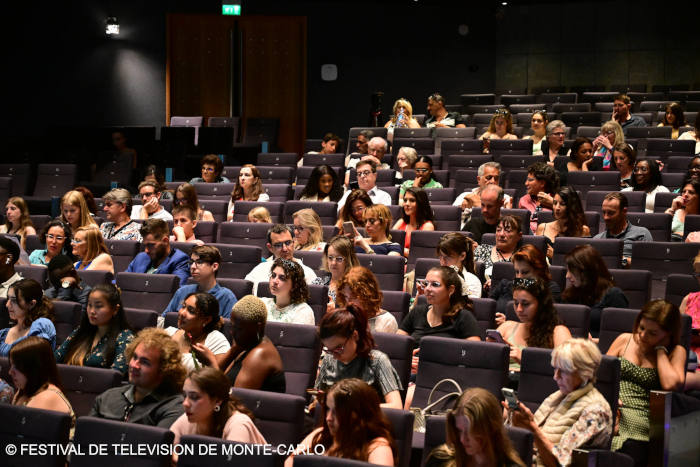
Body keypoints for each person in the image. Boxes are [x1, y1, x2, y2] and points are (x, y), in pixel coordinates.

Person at [506, 339, 612, 467]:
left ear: (585, 373)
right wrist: (519, 425)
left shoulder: (596, 411)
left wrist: (532, 428)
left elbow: (558, 463)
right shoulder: (558, 396)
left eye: (563, 371)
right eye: (555, 369)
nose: (556, 376)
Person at [607, 300, 685, 465]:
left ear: (668, 334)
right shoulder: (624, 340)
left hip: (642, 422)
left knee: (625, 453)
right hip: (611, 410)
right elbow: (602, 375)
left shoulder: (676, 352)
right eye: (641, 328)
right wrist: (610, 403)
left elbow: (671, 385)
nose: (642, 335)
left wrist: (661, 351)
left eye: (652, 333)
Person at [90, 327, 186, 427]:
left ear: (164, 369)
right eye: (134, 357)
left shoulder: (173, 407)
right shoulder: (107, 398)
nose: (134, 365)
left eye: (145, 362)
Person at [289, 378, 396, 467]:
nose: (328, 418)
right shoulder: (321, 435)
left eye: (336, 412)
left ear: (357, 414)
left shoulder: (378, 448)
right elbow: (291, 462)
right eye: (328, 409)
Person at [316, 307, 403, 408]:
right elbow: (317, 398)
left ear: (355, 336)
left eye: (339, 348)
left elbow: (396, 406)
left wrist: (351, 407)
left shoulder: (377, 361)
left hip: (365, 422)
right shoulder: (328, 360)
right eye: (329, 350)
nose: (334, 356)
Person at [169, 367, 266, 457]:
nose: (185, 403)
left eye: (194, 397)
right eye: (184, 395)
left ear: (217, 401)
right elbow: (162, 449)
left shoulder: (238, 424)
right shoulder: (187, 419)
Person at [197, 295, 285, 393]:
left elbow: (236, 401)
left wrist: (210, 362)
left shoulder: (259, 355)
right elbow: (222, 376)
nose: (232, 332)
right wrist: (233, 351)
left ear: (258, 327)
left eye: (238, 328)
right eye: (231, 326)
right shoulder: (246, 343)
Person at [425, 387, 525, 467]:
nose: (462, 439)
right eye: (460, 430)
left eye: (470, 431)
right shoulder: (440, 460)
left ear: (490, 430)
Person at [492, 277, 571, 371]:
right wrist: (491, 351)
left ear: (541, 304)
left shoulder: (558, 332)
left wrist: (527, 360)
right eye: (516, 303)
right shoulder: (507, 326)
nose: (519, 309)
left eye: (525, 304)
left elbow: (568, 369)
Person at [54, 283, 134, 375]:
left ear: (115, 309)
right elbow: (55, 360)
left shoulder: (125, 337)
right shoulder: (81, 331)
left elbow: (115, 376)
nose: (92, 311)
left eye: (98, 306)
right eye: (89, 305)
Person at [562, 245, 629, 337]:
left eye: (571, 271)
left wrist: (593, 341)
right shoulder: (570, 294)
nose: (567, 276)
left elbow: (622, 338)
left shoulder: (614, 295)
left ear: (585, 271)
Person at [162, 245, 237, 319]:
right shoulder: (182, 291)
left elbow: (229, 328)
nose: (193, 267)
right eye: (191, 262)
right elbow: (164, 320)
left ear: (214, 266)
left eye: (199, 262)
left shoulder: (226, 297)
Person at [10, 337, 74, 423]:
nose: (10, 372)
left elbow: (19, 432)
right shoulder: (24, 390)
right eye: (11, 365)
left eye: (17, 367)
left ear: (35, 368)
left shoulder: (47, 397)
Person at [490, 244, 561, 320]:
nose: (519, 277)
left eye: (525, 272)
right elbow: (487, 309)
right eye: (517, 272)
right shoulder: (505, 285)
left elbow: (545, 319)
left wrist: (508, 322)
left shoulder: (550, 289)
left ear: (539, 271)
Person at [164, 292, 230, 372]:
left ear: (206, 320)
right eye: (183, 306)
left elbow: (220, 379)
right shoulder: (168, 333)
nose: (182, 313)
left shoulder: (216, 341)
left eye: (191, 311)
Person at [244, 224, 317, 294]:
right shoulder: (260, 269)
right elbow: (245, 293)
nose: (285, 249)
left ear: (294, 243)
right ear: (270, 248)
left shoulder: (307, 273)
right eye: (278, 245)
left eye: (288, 243)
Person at [594, 192, 653, 267]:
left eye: (611, 213)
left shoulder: (641, 234)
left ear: (624, 211)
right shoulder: (597, 239)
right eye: (604, 212)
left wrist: (619, 260)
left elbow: (647, 264)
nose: (606, 217)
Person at [126, 219, 191, 287]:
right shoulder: (140, 257)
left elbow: (178, 291)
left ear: (165, 241)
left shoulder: (180, 260)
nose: (146, 250)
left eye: (151, 245)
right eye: (145, 245)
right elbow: (122, 281)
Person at [0, 278, 56, 356]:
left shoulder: (43, 324)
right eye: (8, 299)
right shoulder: (3, 333)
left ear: (31, 304)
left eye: (14, 300)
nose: (7, 305)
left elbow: (29, 358)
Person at [336, 266, 398, 333]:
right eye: (346, 296)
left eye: (354, 297)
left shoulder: (387, 321)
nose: (348, 303)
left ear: (367, 295)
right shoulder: (343, 318)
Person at [535, 187, 590, 259]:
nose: (557, 208)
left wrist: (556, 256)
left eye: (562, 204)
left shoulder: (583, 230)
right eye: (555, 203)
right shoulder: (542, 228)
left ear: (571, 206)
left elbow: (585, 262)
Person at [261, 258, 315, 325]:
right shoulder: (262, 304)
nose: (274, 281)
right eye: (273, 275)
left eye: (282, 278)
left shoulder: (303, 311)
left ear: (295, 285)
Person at [474, 215, 523, 282]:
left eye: (508, 231)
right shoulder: (481, 250)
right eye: (498, 230)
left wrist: (498, 284)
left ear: (519, 236)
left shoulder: (522, 257)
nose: (501, 234)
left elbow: (528, 284)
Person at [313, 235, 360, 304]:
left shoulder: (355, 286)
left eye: (339, 259)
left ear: (348, 260)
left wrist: (335, 309)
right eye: (330, 258)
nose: (333, 263)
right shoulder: (319, 282)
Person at [436, 232, 482, 298]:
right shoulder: (434, 276)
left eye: (448, 257)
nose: (443, 262)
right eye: (440, 256)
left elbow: (468, 307)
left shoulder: (471, 281)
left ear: (462, 256)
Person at [393, 187, 436, 257]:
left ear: (421, 203)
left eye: (412, 200)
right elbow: (388, 243)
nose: (406, 204)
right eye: (405, 200)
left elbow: (421, 254)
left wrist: (399, 250)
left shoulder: (427, 226)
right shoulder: (401, 221)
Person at [519, 162, 559, 233]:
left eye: (530, 180)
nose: (526, 183)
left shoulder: (558, 200)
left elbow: (571, 218)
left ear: (542, 183)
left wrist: (553, 203)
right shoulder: (523, 200)